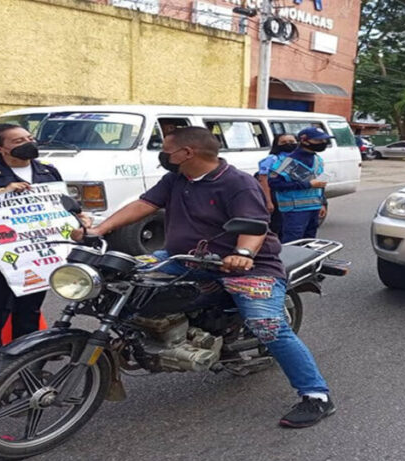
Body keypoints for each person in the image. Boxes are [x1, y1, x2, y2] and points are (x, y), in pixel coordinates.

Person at [81, 126, 335, 428]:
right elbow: (144, 205)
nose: (163, 155)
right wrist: (100, 229)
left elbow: (254, 226)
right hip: (182, 258)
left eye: (167, 150)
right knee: (122, 280)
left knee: (267, 326)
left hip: (247, 266)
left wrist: (243, 254)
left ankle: (316, 395)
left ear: (187, 153)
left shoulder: (238, 183)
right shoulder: (176, 179)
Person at [0, 124, 66, 365]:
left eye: (29, 137)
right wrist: (2, 194)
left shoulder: (47, 170)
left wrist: (78, 216)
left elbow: (61, 202)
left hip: (37, 245)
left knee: (32, 298)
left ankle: (26, 347)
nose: (29, 143)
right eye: (18, 141)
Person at [268, 127, 330, 243]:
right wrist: (307, 184)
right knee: (292, 243)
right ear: (304, 141)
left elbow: (319, 183)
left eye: (324, 140)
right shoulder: (286, 162)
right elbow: (274, 183)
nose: (323, 143)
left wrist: (322, 203)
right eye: (318, 140)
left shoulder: (318, 159)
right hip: (294, 210)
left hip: (314, 208)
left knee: (309, 243)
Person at [257, 133, 299, 235]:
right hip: (278, 199)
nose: (288, 144)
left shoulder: (301, 158)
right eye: (283, 142)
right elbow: (263, 180)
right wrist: (268, 201)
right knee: (279, 228)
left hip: (297, 201)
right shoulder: (272, 159)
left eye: (291, 142)